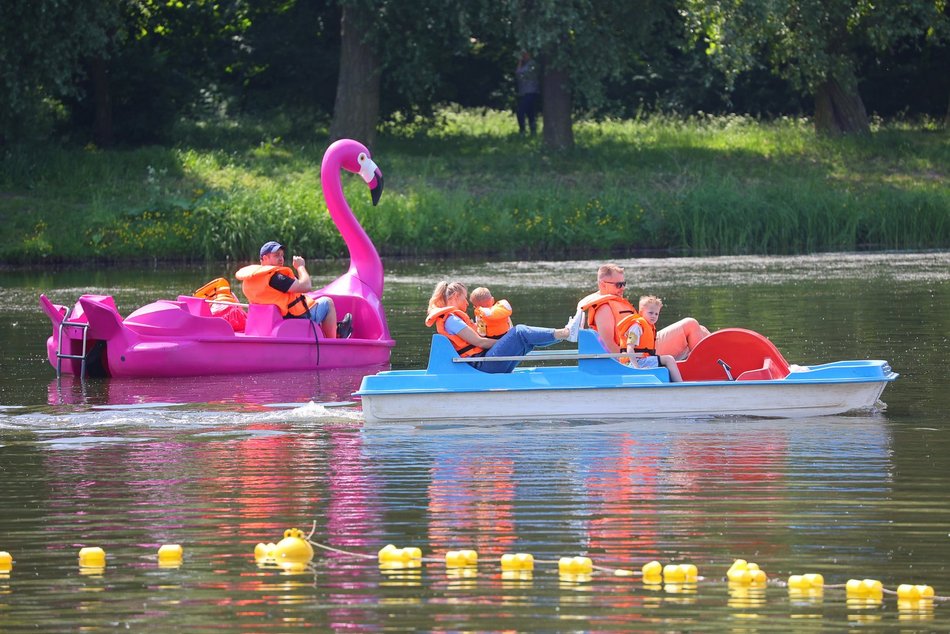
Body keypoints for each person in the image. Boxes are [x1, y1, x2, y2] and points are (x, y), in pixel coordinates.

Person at [425, 281, 575, 374]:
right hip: (480, 366)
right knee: (519, 332)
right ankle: (565, 332)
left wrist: (508, 340)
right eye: (465, 298)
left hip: (484, 363)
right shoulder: (451, 320)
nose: (467, 303)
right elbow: (480, 342)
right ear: (455, 296)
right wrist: (509, 341)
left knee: (526, 340)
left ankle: (565, 335)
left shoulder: (455, 318)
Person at [577, 263, 709, 359]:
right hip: (641, 354)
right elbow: (609, 345)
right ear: (603, 284)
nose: (623, 288)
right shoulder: (604, 309)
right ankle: (706, 365)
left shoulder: (615, 301)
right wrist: (631, 362)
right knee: (690, 324)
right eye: (618, 285)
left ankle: (720, 359)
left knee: (700, 329)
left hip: (647, 344)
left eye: (624, 284)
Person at [236, 241, 352, 339]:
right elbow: (306, 286)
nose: (281, 259)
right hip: (294, 317)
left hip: (269, 321)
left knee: (312, 302)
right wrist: (300, 266)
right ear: (265, 258)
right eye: (276, 255)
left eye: (282, 255)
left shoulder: (251, 279)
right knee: (327, 302)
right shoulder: (276, 278)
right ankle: (334, 340)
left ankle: (333, 329)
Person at [617, 295, 683, 382]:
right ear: (641, 312)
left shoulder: (649, 326)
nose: (654, 316)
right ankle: (680, 384)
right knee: (669, 359)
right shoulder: (637, 327)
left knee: (666, 361)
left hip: (642, 360)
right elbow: (630, 348)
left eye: (656, 314)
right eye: (650, 313)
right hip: (634, 362)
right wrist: (637, 369)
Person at [515, 51, 541, 136]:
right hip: (523, 92)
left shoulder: (532, 65)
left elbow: (519, 74)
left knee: (521, 111)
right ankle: (532, 131)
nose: (523, 56)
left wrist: (519, 62)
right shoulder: (524, 65)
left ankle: (523, 130)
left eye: (525, 54)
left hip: (531, 91)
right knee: (530, 112)